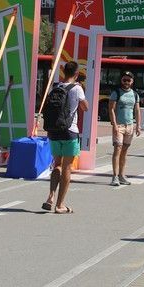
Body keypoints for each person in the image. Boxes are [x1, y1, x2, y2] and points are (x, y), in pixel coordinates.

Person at [43, 61, 88, 214]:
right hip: (70, 131)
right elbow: (85, 107)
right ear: (76, 74)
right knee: (67, 167)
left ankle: (50, 196)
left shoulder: (56, 87)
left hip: (54, 131)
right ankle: (60, 205)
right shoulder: (77, 88)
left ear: (64, 72)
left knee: (57, 163)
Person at [109, 71, 141, 186]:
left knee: (125, 151)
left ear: (132, 81)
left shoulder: (135, 94)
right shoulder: (116, 93)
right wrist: (114, 125)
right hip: (119, 126)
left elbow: (137, 110)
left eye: (129, 80)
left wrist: (138, 125)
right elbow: (111, 109)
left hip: (130, 126)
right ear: (121, 80)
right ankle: (114, 176)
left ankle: (122, 175)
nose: (126, 82)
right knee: (117, 149)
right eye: (124, 80)